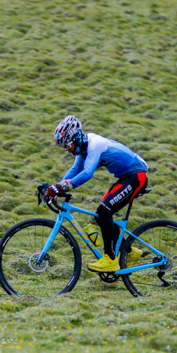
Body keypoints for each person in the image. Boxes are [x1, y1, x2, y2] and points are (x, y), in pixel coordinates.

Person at [45, 115, 149, 273]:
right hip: (126, 178)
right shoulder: (83, 147)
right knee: (101, 215)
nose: (68, 150)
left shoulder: (94, 144)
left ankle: (110, 260)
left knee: (104, 211)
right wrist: (56, 187)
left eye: (67, 146)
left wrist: (63, 188)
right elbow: (74, 170)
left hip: (136, 176)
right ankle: (130, 252)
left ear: (75, 138)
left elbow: (87, 173)